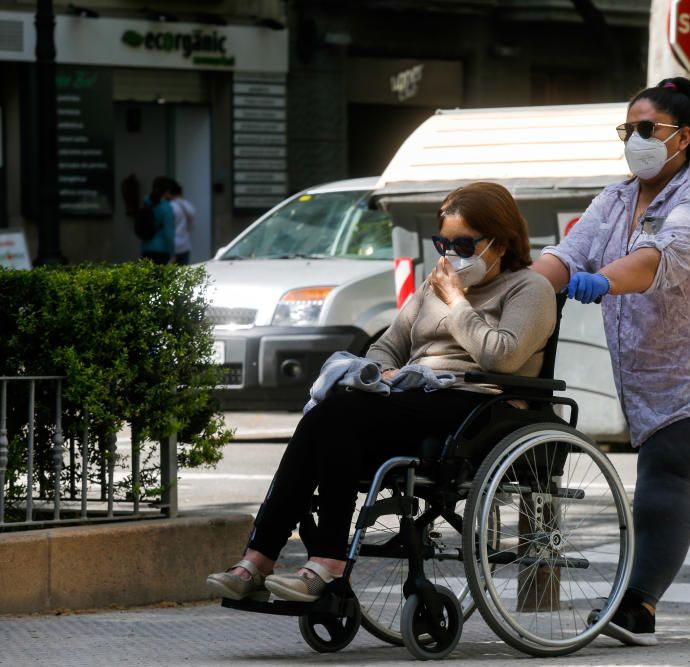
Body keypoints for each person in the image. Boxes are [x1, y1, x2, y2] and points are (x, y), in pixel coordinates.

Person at [206, 182, 556, 602]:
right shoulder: (434, 286)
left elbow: (501, 356)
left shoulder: (528, 289)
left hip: (476, 402)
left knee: (336, 416)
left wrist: (458, 302)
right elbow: (388, 343)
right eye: (443, 242)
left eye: (464, 243)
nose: (451, 254)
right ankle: (261, 557)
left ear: (500, 243)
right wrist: (382, 371)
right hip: (415, 392)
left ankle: (326, 563)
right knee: (325, 416)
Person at [532, 77, 690, 645]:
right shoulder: (616, 198)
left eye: (648, 129)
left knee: (668, 469)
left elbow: (658, 259)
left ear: (684, 136)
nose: (634, 140)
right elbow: (566, 253)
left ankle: (637, 605)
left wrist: (602, 280)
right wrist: (524, 289)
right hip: (661, 376)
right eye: (628, 129)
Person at [140, 176, 175, 265]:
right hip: (161, 249)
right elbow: (168, 233)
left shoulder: (146, 202)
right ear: (167, 191)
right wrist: (172, 253)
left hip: (146, 247)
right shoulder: (166, 207)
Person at [167, 180, 196, 265]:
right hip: (185, 245)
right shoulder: (189, 206)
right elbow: (191, 227)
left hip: (172, 246)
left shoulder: (169, 206)